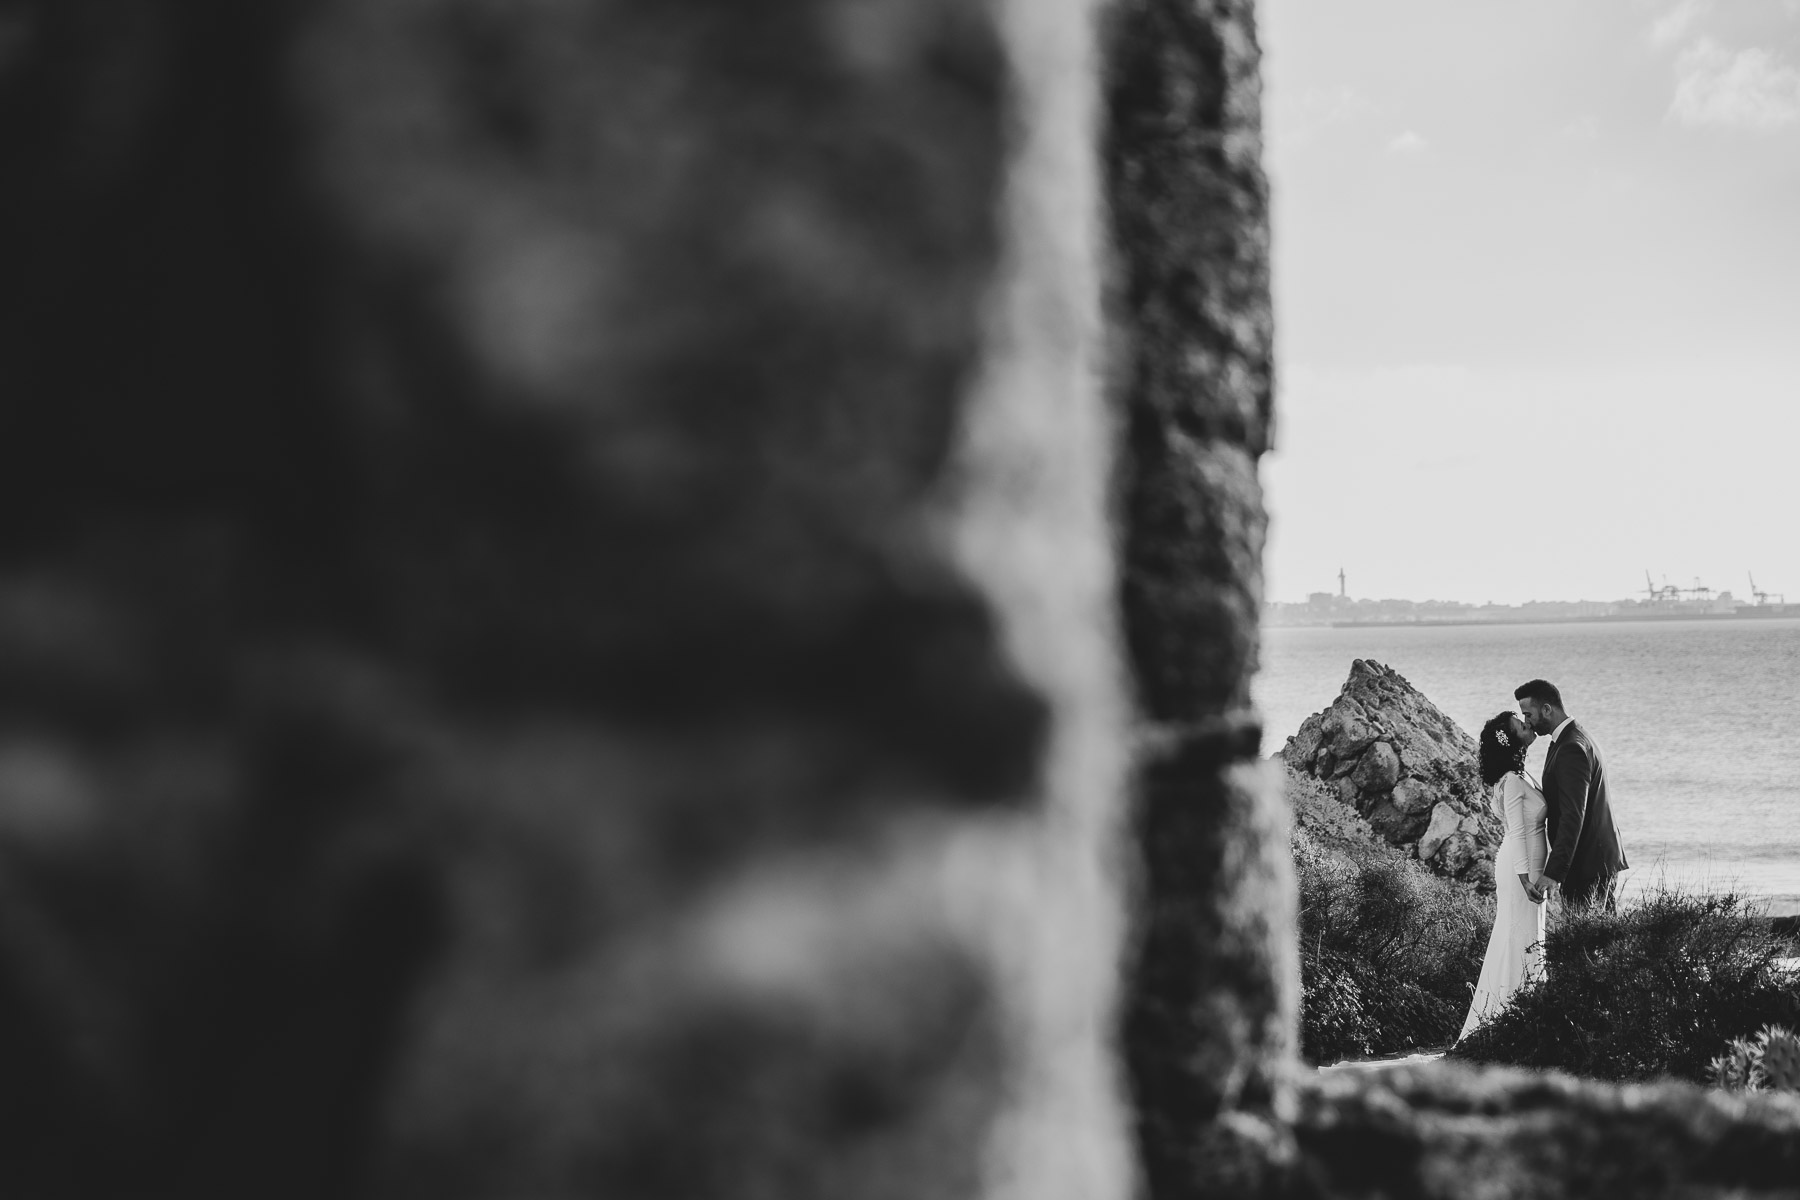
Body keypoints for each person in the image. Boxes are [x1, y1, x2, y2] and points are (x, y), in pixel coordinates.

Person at [1458, 711, 1547, 1041]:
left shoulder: (1521, 775)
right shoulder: (1511, 781)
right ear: (1511, 740)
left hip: (1528, 865)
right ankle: (1508, 1019)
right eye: (1521, 725)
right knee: (1517, 937)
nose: (1529, 725)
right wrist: (1525, 879)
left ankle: (1522, 1011)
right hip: (1518, 866)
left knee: (1527, 936)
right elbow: (1519, 830)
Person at [1514, 679, 1628, 912]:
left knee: (1588, 944)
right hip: (1594, 862)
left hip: (1588, 866)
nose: (1527, 722)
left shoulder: (1571, 747)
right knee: (1598, 941)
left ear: (1546, 709)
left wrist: (1553, 873)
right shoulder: (1572, 737)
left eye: (1528, 714)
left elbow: (1572, 815)